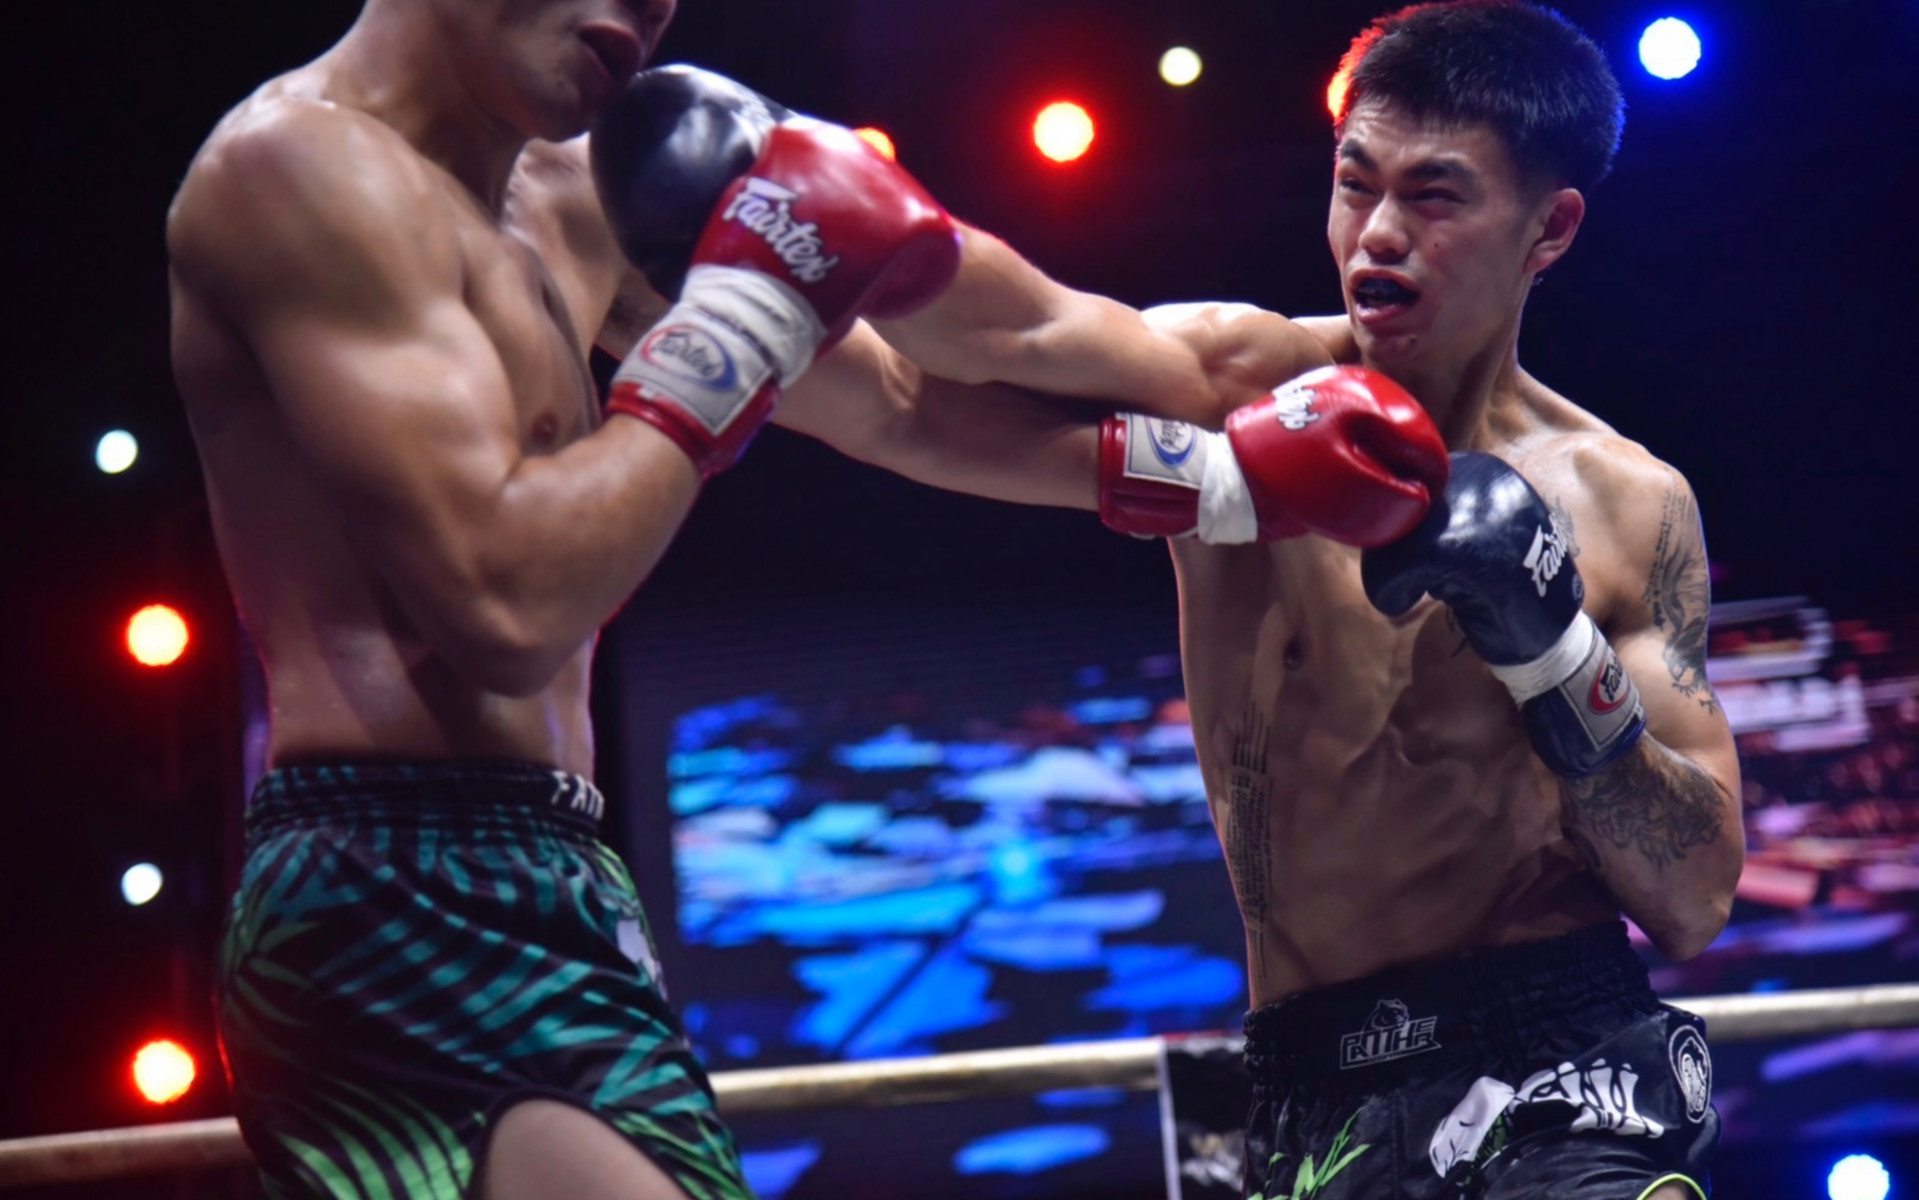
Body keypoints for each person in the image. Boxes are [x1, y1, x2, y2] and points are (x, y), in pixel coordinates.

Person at [165, 2, 1446, 1198]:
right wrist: (747, 304)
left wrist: (1219, 480)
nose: (642, 11)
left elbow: (896, 401)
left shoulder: (572, 194)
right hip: (387, 890)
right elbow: (503, 608)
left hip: (562, 871)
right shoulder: (299, 174)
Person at [706, 2, 1741, 1196]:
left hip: (1558, 1065)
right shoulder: (1232, 388)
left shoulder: (1623, 503)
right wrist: (745, 215)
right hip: (1305, 1083)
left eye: (1436, 196)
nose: (1378, 234)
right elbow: (948, 369)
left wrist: (1552, 651)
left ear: (1547, 229)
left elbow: (1693, 896)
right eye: (1356, 184)